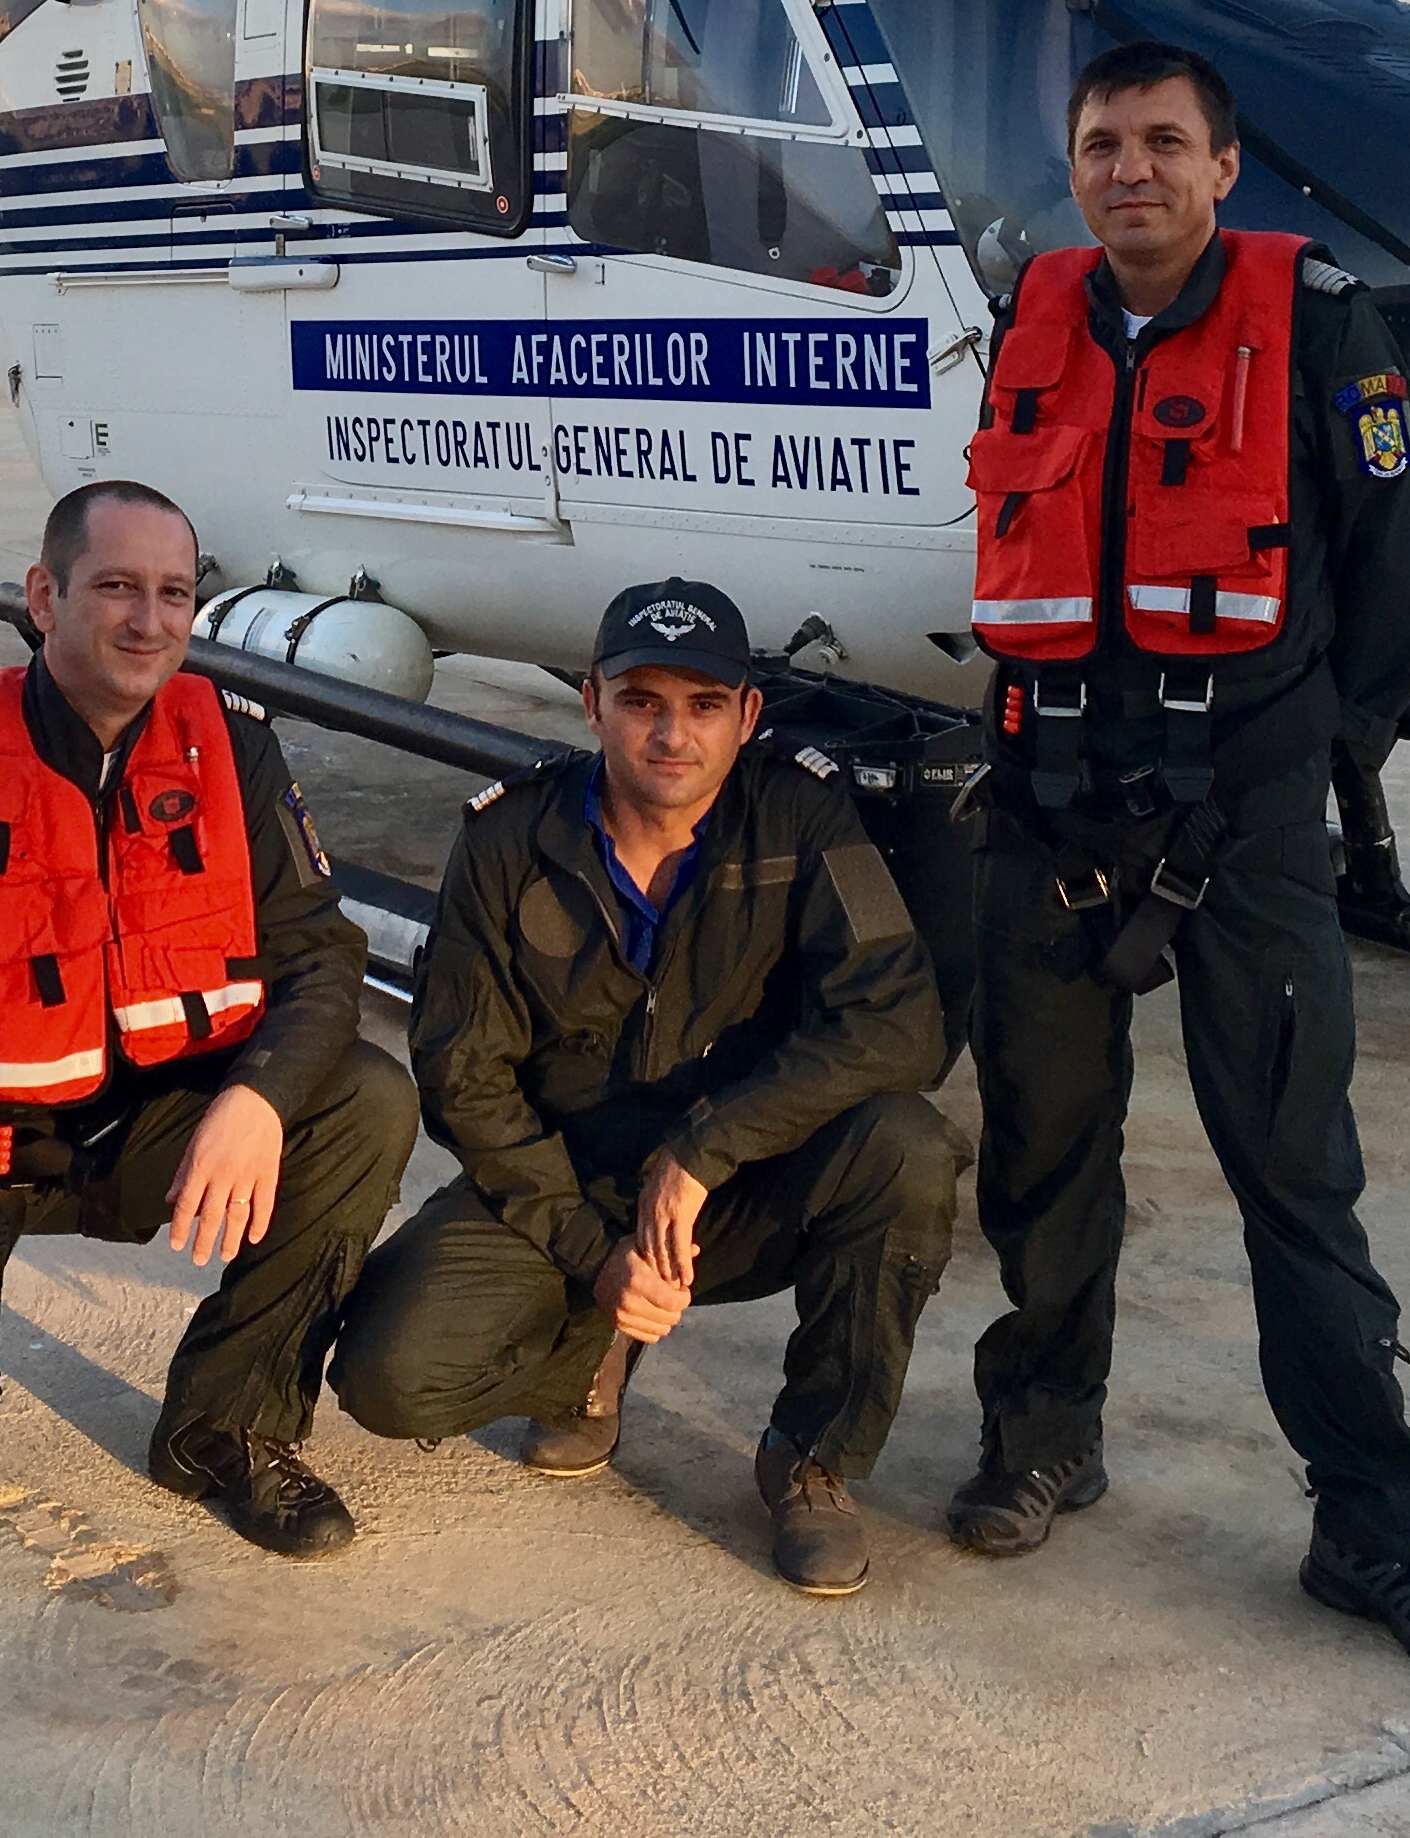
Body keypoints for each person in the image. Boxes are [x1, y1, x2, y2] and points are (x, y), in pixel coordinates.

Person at [953, 38, 1410, 1682]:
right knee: (1041, 1152)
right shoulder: (1035, 312)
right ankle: (1044, 1427)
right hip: (1050, 810)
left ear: (1222, 167)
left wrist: (1313, 767)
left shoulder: (1321, 315)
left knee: (1295, 1175)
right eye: (1100, 141)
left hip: (1245, 824)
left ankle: (1378, 1529)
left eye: (1161, 141)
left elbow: (1393, 576)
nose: (1127, 167)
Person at [0, 482, 413, 1555]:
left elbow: (320, 953)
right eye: (116, 586)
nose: (147, 620)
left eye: (172, 593)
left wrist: (257, 1100)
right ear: (44, 596)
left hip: (143, 1132)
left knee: (361, 1097)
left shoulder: (232, 747)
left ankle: (224, 1425)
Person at [332, 579, 958, 1596]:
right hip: (564, 1183)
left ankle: (811, 1456)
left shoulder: (799, 815)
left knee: (907, 1149)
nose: (673, 734)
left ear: (749, 716)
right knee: (389, 1379)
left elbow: (900, 1021)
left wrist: (706, 1147)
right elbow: (463, 1074)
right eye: (643, 702)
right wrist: (593, 1252)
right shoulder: (510, 839)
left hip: (737, 1186)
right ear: (593, 703)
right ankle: (594, 1344)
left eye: (705, 705)